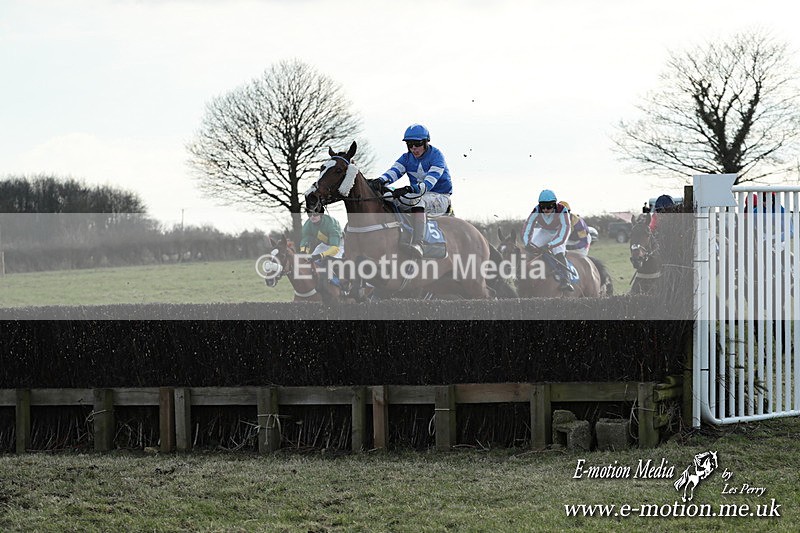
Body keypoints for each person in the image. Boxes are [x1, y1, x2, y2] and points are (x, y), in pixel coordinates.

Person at [370, 124, 453, 257]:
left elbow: (428, 185)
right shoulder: (406, 157)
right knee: (387, 196)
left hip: (440, 197)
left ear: (426, 142)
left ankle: (418, 243)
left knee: (418, 201)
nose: (413, 148)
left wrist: (409, 188)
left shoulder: (437, 156)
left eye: (417, 143)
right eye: (409, 144)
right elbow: (393, 172)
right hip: (417, 195)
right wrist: (379, 181)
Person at [522, 189, 574, 291]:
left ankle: (566, 279)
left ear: (554, 204)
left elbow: (563, 232)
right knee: (530, 250)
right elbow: (528, 226)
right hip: (545, 231)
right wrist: (527, 243)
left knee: (558, 252)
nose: (545, 209)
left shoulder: (562, 210)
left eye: (549, 206)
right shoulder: (536, 210)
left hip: (560, 232)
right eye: (543, 206)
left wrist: (550, 245)